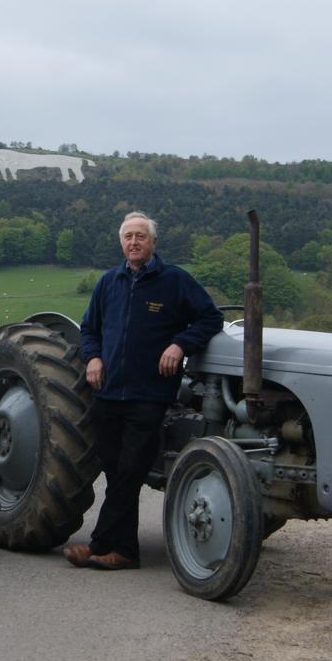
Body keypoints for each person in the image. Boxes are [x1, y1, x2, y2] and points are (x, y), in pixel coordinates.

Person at [66, 211, 223, 571]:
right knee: (116, 473)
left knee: (129, 472)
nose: (134, 242)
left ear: (153, 242)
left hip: (149, 395)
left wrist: (180, 344)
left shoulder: (174, 281)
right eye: (128, 237)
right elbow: (89, 328)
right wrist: (93, 358)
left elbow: (209, 318)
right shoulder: (109, 282)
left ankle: (107, 547)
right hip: (107, 394)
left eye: (140, 236)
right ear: (121, 242)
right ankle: (118, 548)